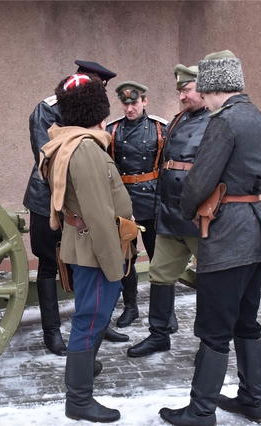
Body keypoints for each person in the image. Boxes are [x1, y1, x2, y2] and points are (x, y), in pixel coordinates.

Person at [158, 50, 261, 426]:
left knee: (213, 328)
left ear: (212, 87)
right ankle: (251, 401)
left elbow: (198, 182)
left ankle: (201, 411)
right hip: (256, 229)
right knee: (246, 321)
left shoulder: (224, 121)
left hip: (226, 233)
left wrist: (186, 209)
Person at [39, 73, 132, 423]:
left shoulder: (67, 142)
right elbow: (98, 214)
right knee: (90, 320)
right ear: (98, 112)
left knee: (93, 315)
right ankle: (78, 400)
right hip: (98, 250)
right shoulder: (86, 149)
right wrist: (115, 265)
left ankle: (86, 366)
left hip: (86, 246)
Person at [23, 60, 127, 356]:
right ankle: (52, 332)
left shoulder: (90, 112)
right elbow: (48, 159)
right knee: (48, 264)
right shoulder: (47, 108)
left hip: (87, 201)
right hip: (49, 201)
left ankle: (98, 324)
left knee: (89, 263)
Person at [127, 65, 210, 357]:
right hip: (171, 218)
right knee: (160, 275)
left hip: (203, 220)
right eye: (180, 91)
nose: (182, 96)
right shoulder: (177, 121)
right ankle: (159, 334)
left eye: (186, 90)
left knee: (212, 283)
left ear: (204, 89)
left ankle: (210, 346)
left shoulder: (218, 121)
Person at [105, 82, 167, 328]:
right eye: (125, 103)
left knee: (159, 259)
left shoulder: (160, 129)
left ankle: (164, 311)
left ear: (145, 101)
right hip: (124, 202)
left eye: (134, 103)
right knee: (126, 258)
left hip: (152, 202)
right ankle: (131, 307)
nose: (130, 108)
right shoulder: (112, 131)